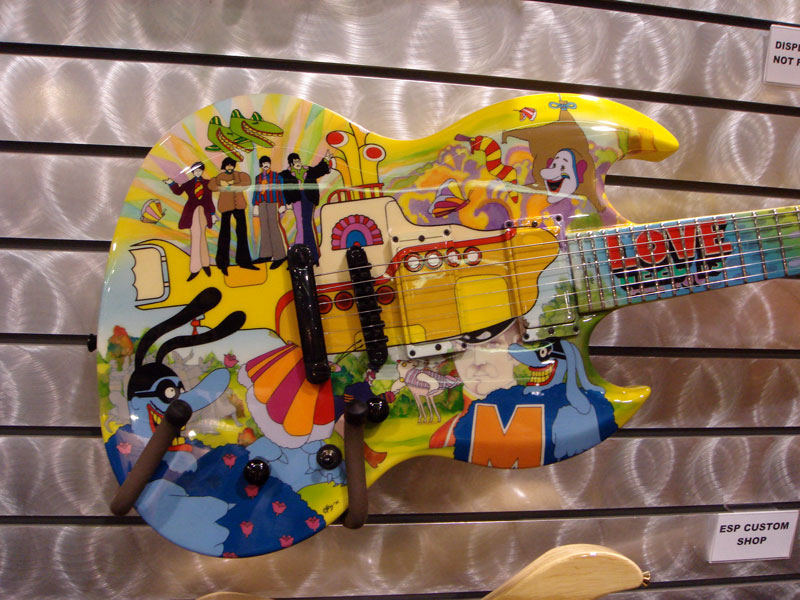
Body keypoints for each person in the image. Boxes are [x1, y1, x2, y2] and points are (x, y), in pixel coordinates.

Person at [164, 161, 214, 281]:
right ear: (192, 172)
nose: (198, 172)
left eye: (200, 170)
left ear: (202, 171)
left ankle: (205, 264)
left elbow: (209, 199)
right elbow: (178, 191)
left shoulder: (208, 183)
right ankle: (195, 268)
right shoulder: (188, 184)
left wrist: (213, 214)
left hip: (204, 212)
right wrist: (171, 183)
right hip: (192, 212)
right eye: (195, 171)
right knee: (196, 238)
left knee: (202, 237)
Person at [279, 150, 332, 265]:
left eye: (298, 160)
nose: (297, 163)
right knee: (300, 223)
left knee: (306, 223)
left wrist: (326, 159)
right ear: (291, 164)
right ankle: (304, 251)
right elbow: (279, 181)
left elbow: (318, 170)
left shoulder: (307, 170)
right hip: (297, 199)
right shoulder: (286, 174)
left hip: (309, 198)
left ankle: (308, 252)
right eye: (294, 162)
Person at [209, 157, 257, 275]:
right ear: (224, 166)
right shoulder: (220, 177)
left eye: (231, 165)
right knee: (224, 233)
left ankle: (244, 261)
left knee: (242, 233)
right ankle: (222, 263)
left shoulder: (239, 175)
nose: (230, 167)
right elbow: (211, 185)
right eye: (227, 165)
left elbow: (246, 182)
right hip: (226, 206)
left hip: (239, 206)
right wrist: (221, 184)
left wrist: (231, 183)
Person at [252, 156, 287, 270]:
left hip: (273, 202)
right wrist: (255, 204)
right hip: (262, 203)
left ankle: (280, 255)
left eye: (267, 162)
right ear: (261, 165)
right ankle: (266, 254)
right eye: (263, 163)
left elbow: (281, 191)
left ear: (270, 164)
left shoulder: (276, 176)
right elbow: (256, 191)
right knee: (264, 228)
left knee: (273, 227)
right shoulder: (258, 177)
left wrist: (282, 204)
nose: (265, 165)